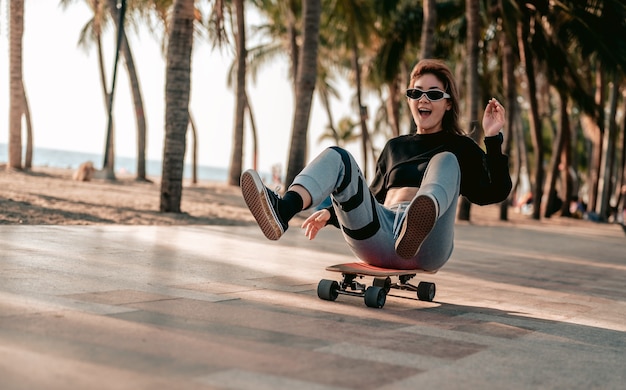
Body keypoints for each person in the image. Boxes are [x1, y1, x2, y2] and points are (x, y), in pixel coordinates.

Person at [241, 59, 512, 271]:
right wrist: (332, 215)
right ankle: (283, 209)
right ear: (409, 100)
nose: (424, 98)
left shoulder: (460, 147)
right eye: (416, 92)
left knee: (445, 161)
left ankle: (417, 218)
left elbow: (494, 192)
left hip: (429, 245)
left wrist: (492, 138)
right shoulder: (395, 147)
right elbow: (373, 197)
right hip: (383, 235)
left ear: (448, 103)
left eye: (433, 93)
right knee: (338, 156)